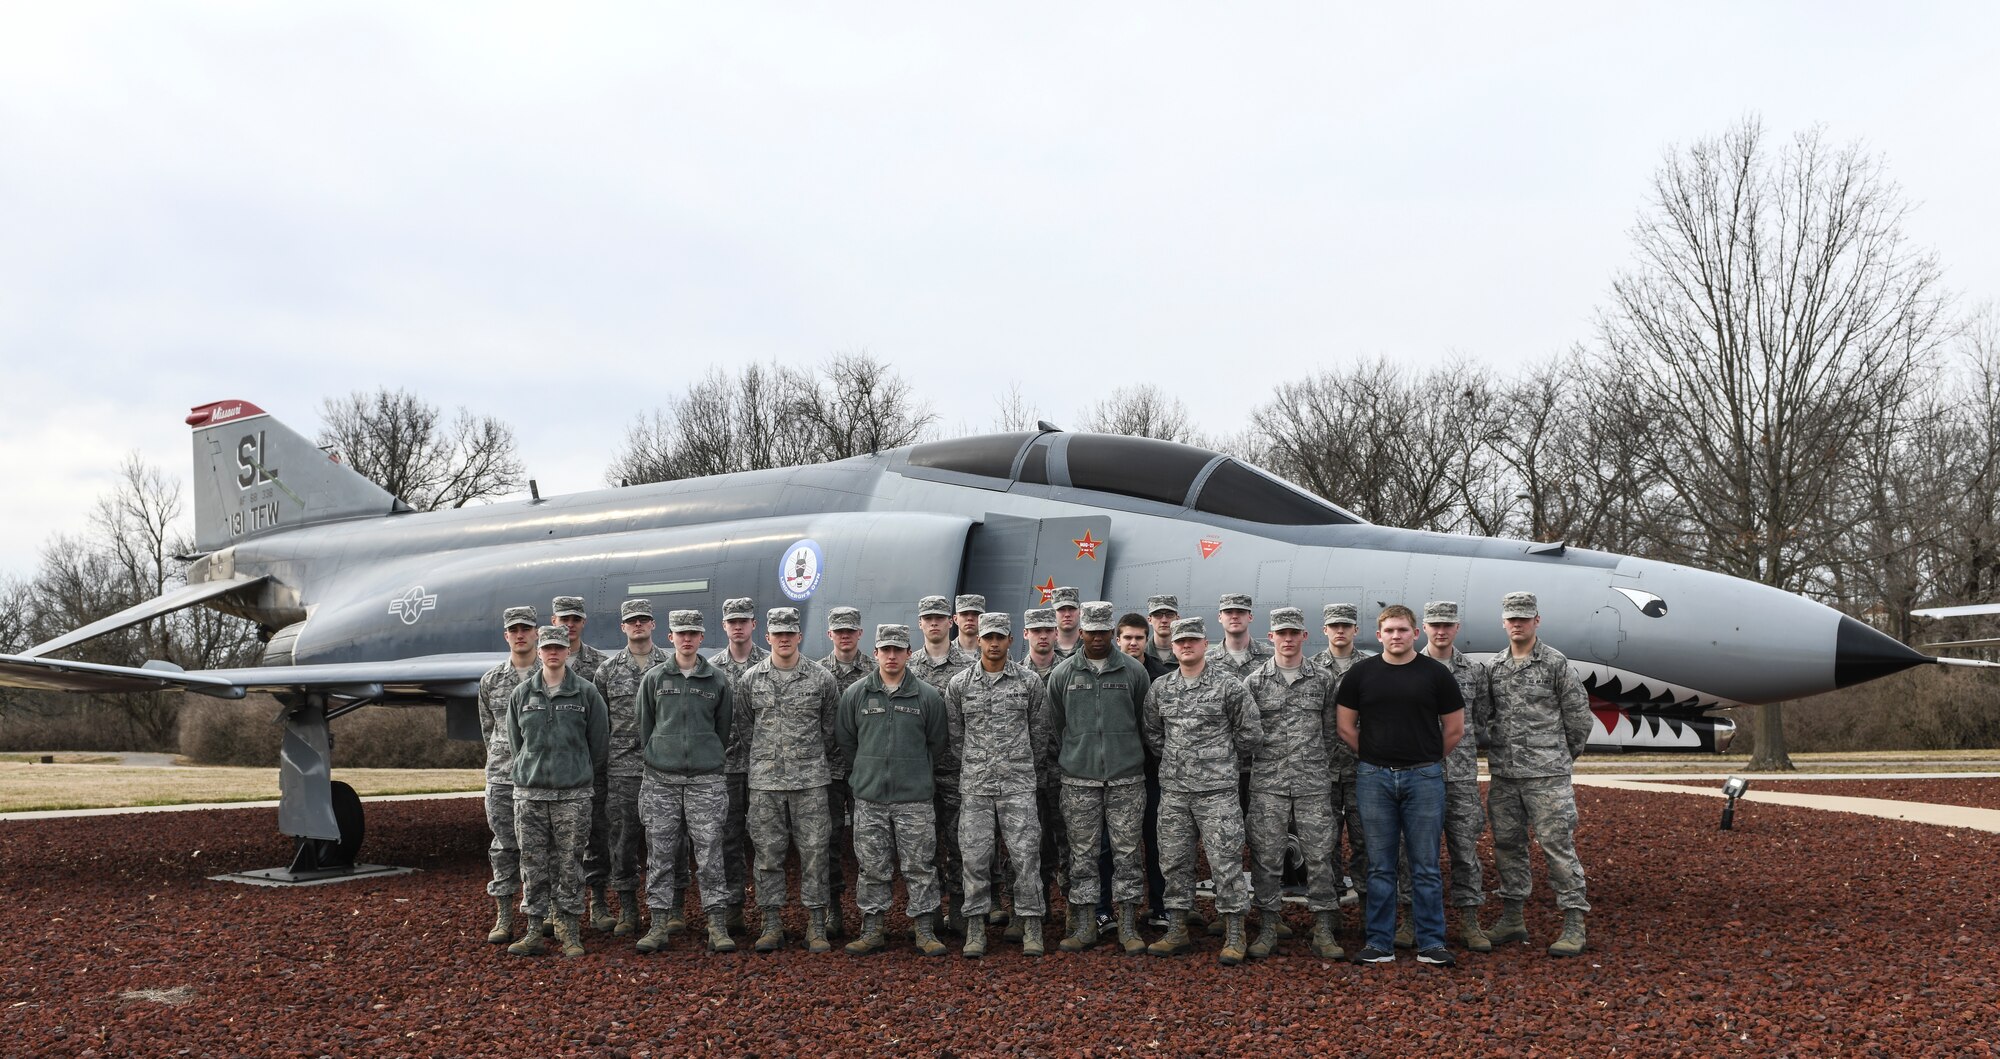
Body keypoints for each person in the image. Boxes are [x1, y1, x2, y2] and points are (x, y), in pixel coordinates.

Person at [1335, 605, 1463, 967]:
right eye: (1389, 630)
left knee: (1425, 865)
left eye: (1403, 630)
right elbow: (1346, 727)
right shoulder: (1361, 675)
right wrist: (1375, 755)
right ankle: (1379, 942)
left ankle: (1431, 943)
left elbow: (1454, 729)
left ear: (1415, 633)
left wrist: (1425, 758)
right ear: (1379, 636)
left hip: (1424, 778)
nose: (1396, 636)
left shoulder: (1436, 675)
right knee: (1379, 866)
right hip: (1374, 778)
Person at [1143, 616, 1261, 965]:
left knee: (1225, 862)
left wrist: (1219, 759)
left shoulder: (1228, 686)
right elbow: (1153, 734)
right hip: (1176, 793)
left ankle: (1234, 933)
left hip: (1218, 793)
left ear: (1204, 643)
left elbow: (1250, 733)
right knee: (1175, 861)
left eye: (1193, 640)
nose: (1186, 646)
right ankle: (1177, 929)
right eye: (1180, 642)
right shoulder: (1161, 688)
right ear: (1173, 646)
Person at [1483, 591, 1593, 957]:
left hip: (1547, 778)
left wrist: (1560, 757)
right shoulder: (1495, 667)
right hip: (1505, 776)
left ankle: (1574, 922)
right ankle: (1513, 918)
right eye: (1511, 618)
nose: (1517, 624)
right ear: (1503, 622)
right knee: (1507, 847)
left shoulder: (1554, 663)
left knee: (1557, 848)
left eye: (1524, 618)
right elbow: (1488, 716)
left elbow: (1578, 718)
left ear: (1536, 621)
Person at [836, 624, 951, 957]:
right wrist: (868, 770)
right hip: (870, 797)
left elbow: (937, 742)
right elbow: (846, 740)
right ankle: (872, 929)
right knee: (872, 866)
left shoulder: (927, 696)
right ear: (875, 654)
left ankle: (924, 928)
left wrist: (912, 772)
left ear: (908, 654)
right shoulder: (857, 694)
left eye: (897, 650)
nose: (891, 656)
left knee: (920, 866)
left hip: (913, 798)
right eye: (885, 650)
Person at [945, 612, 1053, 957]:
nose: (993, 644)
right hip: (975, 787)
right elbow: (955, 738)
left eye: (999, 638)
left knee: (1026, 857)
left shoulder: (1028, 682)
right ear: (978, 640)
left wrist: (1017, 766)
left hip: (1019, 784)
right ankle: (975, 929)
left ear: (1010, 641)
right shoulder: (960, 684)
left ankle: (1031, 925)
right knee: (975, 859)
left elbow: (1040, 733)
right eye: (988, 638)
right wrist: (981, 764)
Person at [1049, 601, 1153, 954]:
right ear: (1080, 632)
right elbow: (1057, 724)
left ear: (1112, 632)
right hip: (1079, 781)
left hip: (1126, 780)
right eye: (1090, 631)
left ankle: (1127, 924)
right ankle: (1086, 924)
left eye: (1102, 631)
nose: (1096, 637)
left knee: (1127, 854)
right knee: (1082, 855)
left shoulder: (1134, 674)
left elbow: (1144, 721)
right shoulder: (1063, 674)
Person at [736, 607, 841, 953]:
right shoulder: (751, 679)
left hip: (810, 782)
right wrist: (767, 761)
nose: (783, 639)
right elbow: (745, 728)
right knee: (767, 856)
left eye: (789, 633)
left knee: (815, 854)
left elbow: (830, 730)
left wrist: (807, 761)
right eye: (777, 633)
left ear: (799, 637)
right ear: (767, 637)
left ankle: (816, 924)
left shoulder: (821, 678)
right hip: (766, 785)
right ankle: (771, 923)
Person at [1241, 607, 1344, 960]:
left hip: (1313, 783)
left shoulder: (1323, 680)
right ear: (1270, 637)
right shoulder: (1254, 682)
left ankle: (1324, 928)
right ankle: (1269, 926)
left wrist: (1313, 763)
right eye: (1281, 633)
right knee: (1266, 857)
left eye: (1293, 633)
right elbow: (1247, 733)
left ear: (1304, 636)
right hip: (1268, 783)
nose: (1287, 639)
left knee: (1320, 856)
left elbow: (1331, 732)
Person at [632, 608, 736, 954]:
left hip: (705, 781)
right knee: (660, 854)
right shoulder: (655, 679)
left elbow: (722, 730)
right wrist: (663, 755)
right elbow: (646, 727)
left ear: (702, 638)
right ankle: (659, 923)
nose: (687, 638)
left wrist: (705, 757)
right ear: (670, 637)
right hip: (661, 780)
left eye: (693, 632)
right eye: (681, 633)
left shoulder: (717, 680)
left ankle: (716, 925)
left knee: (710, 855)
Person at [505, 625, 609, 957]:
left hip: (572, 796)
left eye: (559, 648)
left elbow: (598, 745)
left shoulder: (586, 693)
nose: (552, 652)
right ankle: (535, 929)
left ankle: (569, 930)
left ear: (567, 652)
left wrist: (575, 770)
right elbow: (516, 743)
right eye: (547, 647)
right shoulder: (522, 694)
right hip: (530, 794)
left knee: (570, 865)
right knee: (532, 864)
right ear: (539, 651)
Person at [1396, 600, 1493, 952]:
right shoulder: (1407, 666)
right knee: (1411, 853)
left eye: (1447, 625)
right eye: (1434, 624)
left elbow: (1478, 720)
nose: (1440, 631)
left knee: (1465, 850)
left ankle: (1469, 921)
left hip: (1460, 777)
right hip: (1416, 773)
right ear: (1423, 627)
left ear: (1457, 628)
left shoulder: (1473, 671)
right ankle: (1409, 920)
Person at [588, 598, 667, 939]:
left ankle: (668, 910)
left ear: (653, 625)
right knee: (621, 841)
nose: (638, 625)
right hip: (622, 770)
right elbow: (598, 724)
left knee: (667, 843)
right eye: (632, 621)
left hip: (664, 767)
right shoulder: (607, 670)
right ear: (623, 627)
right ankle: (628, 907)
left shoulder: (670, 664)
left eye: (644, 620)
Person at [909, 594, 975, 932]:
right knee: (922, 846)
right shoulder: (907, 667)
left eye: (940, 617)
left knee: (960, 842)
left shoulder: (968, 666)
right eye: (927, 618)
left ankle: (960, 909)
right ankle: (929, 912)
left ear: (950, 622)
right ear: (919, 624)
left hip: (958, 770)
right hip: (919, 773)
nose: (934, 623)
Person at [477, 606, 538, 945]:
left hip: (540, 777)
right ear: (506, 635)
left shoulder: (551, 675)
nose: (520, 635)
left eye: (526, 629)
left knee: (540, 849)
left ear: (536, 633)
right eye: (514, 629)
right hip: (502, 777)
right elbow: (490, 729)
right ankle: (504, 915)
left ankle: (540, 915)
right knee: (503, 847)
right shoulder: (491, 680)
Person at [552, 594, 613, 932]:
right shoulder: (540, 664)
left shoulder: (600, 666)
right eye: (563, 618)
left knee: (597, 836)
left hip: (589, 769)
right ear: (554, 620)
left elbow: (603, 724)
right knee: (552, 843)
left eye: (575, 618)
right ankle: (553, 909)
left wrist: (594, 764)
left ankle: (598, 902)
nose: (569, 624)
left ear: (583, 621)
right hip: (552, 771)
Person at [708, 596, 768, 935]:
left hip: (764, 768)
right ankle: (733, 909)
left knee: (765, 841)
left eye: (744, 621)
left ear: (753, 625)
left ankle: (766, 911)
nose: (738, 627)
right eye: (732, 622)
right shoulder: (713, 670)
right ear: (724, 625)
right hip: (728, 767)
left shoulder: (769, 662)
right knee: (728, 839)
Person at [816, 605, 870, 940]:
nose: (845, 636)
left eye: (850, 630)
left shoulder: (875, 670)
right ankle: (833, 910)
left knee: (868, 845)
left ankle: (869, 914)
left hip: (865, 770)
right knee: (829, 841)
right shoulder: (817, 673)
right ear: (830, 634)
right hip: (829, 772)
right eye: (839, 631)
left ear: (860, 633)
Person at [1315, 602, 1372, 909]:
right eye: (1334, 626)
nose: (1340, 630)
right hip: (1323, 771)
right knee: (1326, 842)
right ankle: (1331, 909)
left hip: (1362, 770)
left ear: (1355, 630)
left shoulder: (1371, 667)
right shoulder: (1311, 668)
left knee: (1364, 841)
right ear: (1325, 630)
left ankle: (1366, 908)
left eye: (1345, 626)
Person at [1021, 608, 1062, 678]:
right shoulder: (1014, 674)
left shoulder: (1069, 670)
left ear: (1057, 633)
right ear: (1025, 634)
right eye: (1036, 631)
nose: (1043, 636)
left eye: (1048, 630)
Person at [1144, 595, 1180, 674]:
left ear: (1177, 619)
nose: (1164, 620)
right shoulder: (1141, 654)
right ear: (1149, 620)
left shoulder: (1185, 654)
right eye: (1157, 615)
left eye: (1169, 615)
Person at [1051, 586, 1082, 659]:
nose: (1067, 614)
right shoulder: (1045, 646)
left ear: (1080, 611)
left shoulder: (1089, 646)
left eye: (1072, 609)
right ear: (1053, 613)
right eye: (1061, 609)